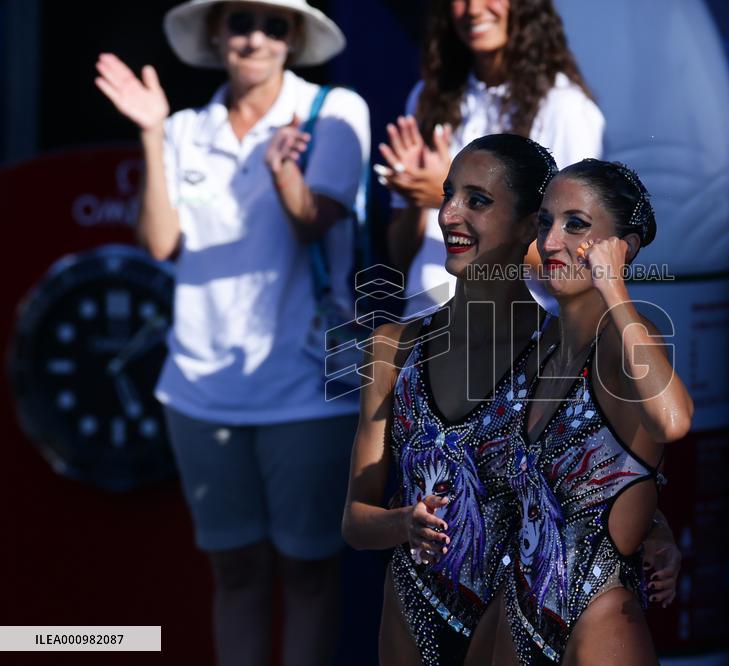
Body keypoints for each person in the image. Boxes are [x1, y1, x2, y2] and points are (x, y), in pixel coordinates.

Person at [94, 2, 369, 664]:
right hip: (197, 386)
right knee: (236, 571)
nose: (255, 36)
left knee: (308, 573)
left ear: (295, 38)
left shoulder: (334, 108)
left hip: (305, 387)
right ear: (216, 34)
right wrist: (153, 134)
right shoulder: (185, 127)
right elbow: (160, 243)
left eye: (274, 24)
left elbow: (314, 220)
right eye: (240, 21)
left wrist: (281, 171)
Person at [342, 135, 679, 666]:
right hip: (415, 610)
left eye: (477, 200)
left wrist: (655, 530)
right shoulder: (393, 348)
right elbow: (355, 521)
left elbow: (593, 476)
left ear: (528, 226)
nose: (449, 213)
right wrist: (403, 522)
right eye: (449, 194)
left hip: (520, 622)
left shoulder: (559, 351)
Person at [495, 159, 694, 665]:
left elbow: (672, 422)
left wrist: (615, 290)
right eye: (545, 222)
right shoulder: (543, 346)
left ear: (620, 247)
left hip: (599, 628)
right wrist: (652, 523)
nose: (552, 241)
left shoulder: (629, 340)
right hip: (518, 619)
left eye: (575, 225)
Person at [377, 0, 604, 316]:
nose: (473, 9)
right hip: (425, 321)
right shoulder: (427, 97)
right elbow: (402, 257)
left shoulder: (565, 109)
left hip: (513, 337)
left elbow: (571, 264)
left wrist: (452, 199)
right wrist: (416, 199)